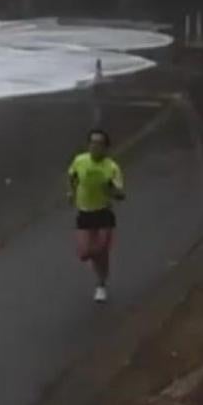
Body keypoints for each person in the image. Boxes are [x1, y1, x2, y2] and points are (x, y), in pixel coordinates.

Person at [68, 127, 125, 302]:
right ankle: (99, 265)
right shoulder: (80, 160)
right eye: (92, 143)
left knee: (101, 250)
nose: (95, 146)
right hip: (84, 212)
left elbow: (121, 195)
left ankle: (101, 284)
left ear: (105, 147)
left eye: (99, 143)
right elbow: (73, 177)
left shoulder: (111, 167)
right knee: (85, 253)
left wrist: (110, 189)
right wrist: (71, 192)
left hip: (103, 212)